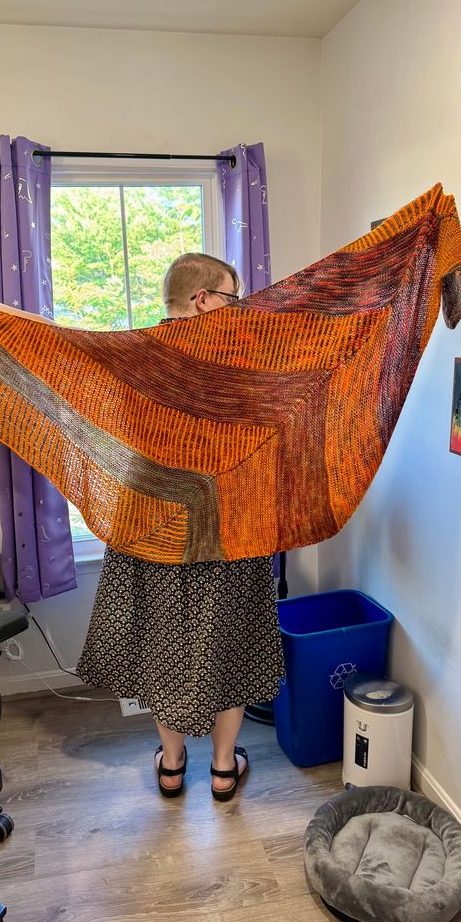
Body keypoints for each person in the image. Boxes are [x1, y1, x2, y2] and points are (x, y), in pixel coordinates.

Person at [76, 253, 284, 801]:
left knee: (164, 647)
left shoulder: (132, 356)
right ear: (204, 299)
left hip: (152, 529)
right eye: (233, 298)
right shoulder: (237, 363)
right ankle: (222, 770)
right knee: (232, 646)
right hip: (228, 529)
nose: (238, 311)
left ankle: (171, 766)